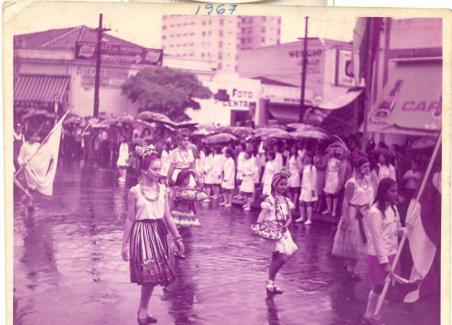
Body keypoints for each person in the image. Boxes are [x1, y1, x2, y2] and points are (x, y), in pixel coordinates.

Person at [121, 148, 184, 324]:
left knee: (154, 275)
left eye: (159, 169)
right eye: (154, 169)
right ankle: (142, 312)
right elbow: (129, 219)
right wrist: (124, 244)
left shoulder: (163, 190)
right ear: (144, 171)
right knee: (149, 272)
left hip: (159, 232)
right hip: (142, 233)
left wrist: (177, 238)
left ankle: (143, 309)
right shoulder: (135, 191)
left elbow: (168, 216)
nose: (158, 173)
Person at [362, 178, 404, 325]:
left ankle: (369, 315)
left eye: (396, 190)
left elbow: (395, 231)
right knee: (382, 287)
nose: (396, 194)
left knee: (384, 287)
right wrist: (385, 263)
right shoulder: (374, 212)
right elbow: (377, 239)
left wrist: (406, 230)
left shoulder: (393, 208)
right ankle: (375, 316)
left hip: (393, 253)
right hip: (379, 256)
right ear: (383, 192)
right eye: (392, 191)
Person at [332, 156, 375, 280]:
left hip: (364, 213)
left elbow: (369, 195)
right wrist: (344, 217)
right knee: (354, 242)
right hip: (353, 213)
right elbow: (346, 201)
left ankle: (350, 266)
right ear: (358, 168)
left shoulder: (367, 180)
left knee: (361, 242)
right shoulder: (352, 182)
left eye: (368, 166)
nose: (367, 169)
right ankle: (351, 269)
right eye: (364, 166)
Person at [255, 172, 298, 295]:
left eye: (285, 184)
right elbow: (263, 213)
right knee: (282, 258)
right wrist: (258, 223)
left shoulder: (286, 200)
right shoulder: (270, 200)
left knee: (277, 257)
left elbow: (290, 217)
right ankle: (269, 281)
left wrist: (286, 225)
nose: (283, 187)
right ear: (275, 184)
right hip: (272, 230)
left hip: (283, 231)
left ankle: (271, 282)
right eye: (281, 184)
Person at [296, 153, 317, 225]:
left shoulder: (313, 168)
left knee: (308, 203)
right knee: (301, 202)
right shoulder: (305, 167)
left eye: (307, 157)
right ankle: (302, 217)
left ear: (310, 158)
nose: (305, 159)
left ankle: (309, 219)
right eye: (305, 157)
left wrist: (313, 189)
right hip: (304, 187)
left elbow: (314, 179)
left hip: (309, 187)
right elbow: (303, 177)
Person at [322, 151, 342, 217]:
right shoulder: (329, 160)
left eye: (330, 152)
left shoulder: (338, 161)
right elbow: (327, 168)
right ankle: (329, 209)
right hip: (329, 175)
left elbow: (340, 169)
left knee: (334, 193)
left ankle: (334, 210)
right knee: (327, 192)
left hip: (335, 175)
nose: (329, 153)